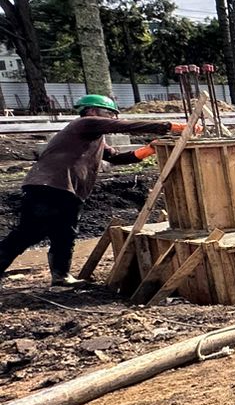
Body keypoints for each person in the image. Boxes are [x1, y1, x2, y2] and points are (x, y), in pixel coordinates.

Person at [0, 95, 177, 286]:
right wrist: (168, 126)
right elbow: (123, 126)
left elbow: (116, 158)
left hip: (64, 190)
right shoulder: (84, 123)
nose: (112, 118)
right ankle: (57, 275)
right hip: (50, 187)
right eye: (109, 113)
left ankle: (61, 276)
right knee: (29, 232)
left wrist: (149, 149)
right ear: (92, 111)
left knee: (64, 234)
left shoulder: (94, 137)